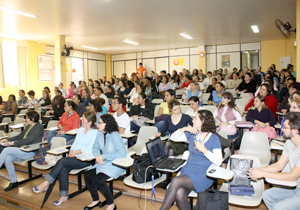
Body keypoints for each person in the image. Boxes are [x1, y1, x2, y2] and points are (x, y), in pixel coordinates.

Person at [32, 111, 98, 206]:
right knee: (63, 169)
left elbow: (91, 147)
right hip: (75, 156)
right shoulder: (81, 129)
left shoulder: (95, 132)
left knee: (62, 161)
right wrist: (71, 150)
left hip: (86, 159)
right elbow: (75, 143)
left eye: (83, 119)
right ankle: (64, 195)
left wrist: (76, 152)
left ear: (90, 122)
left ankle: (47, 182)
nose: (81, 121)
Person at [160, 110, 222, 210]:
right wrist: (184, 129)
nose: (192, 121)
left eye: (196, 118)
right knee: (180, 194)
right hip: (188, 171)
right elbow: (173, 137)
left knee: (175, 181)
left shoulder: (214, 138)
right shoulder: (193, 134)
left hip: (203, 174)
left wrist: (204, 150)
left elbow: (219, 161)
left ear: (203, 121)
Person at [248, 112, 300, 210]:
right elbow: (279, 165)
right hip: (295, 187)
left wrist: (262, 173)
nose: (282, 129)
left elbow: (292, 176)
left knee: (278, 208)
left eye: (285, 127)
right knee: (267, 195)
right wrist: (258, 170)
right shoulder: (289, 143)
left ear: (295, 130)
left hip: (296, 186)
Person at [84, 114, 126, 210]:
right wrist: (98, 156)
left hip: (115, 164)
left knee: (99, 179)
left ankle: (111, 204)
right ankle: (95, 200)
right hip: (103, 162)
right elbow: (95, 148)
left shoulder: (115, 135)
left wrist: (103, 156)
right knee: (88, 175)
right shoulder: (99, 134)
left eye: (100, 122)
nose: (97, 124)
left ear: (107, 124)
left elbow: (122, 154)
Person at [0, 111, 43, 191]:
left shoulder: (39, 127)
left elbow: (28, 140)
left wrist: (12, 143)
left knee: (6, 150)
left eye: (26, 118)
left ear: (32, 119)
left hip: (31, 151)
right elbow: (19, 136)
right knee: (8, 158)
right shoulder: (28, 126)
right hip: (23, 149)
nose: (25, 119)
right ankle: (14, 181)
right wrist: (7, 140)